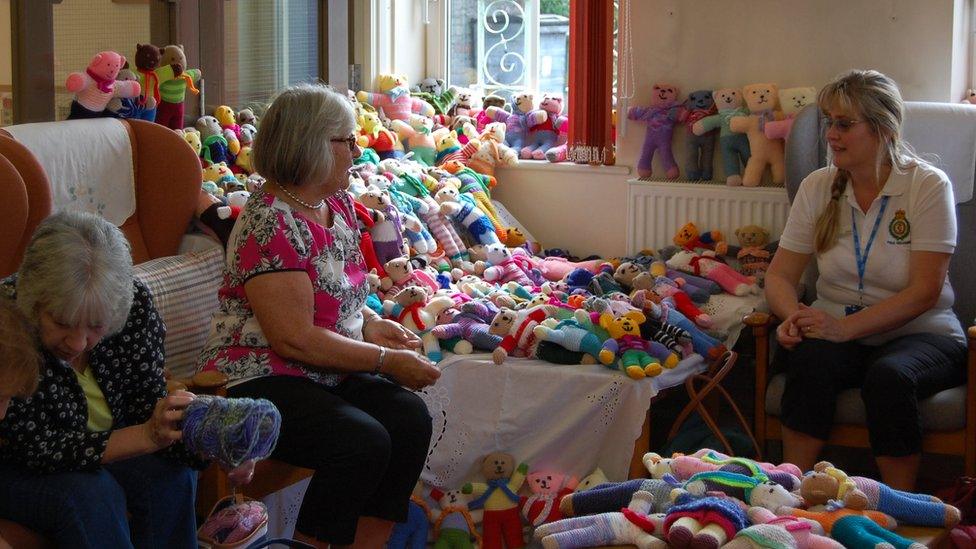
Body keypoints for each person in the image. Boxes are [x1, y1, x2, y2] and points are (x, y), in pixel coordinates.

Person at [197, 83, 440, 549]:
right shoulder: (270, 220)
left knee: (409, 418)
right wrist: (383, 361)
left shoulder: (337, 203)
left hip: (322, 368)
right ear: (310, 144)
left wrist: (370, 324)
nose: (355, 149)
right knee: (360, 441)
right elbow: (293, 339)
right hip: (260, 373)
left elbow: (340, 292)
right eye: (346, 140)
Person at [765, 69, 966, 490]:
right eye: (828, 124)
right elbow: (781, 276)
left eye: (843, 124)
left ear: (883, 127)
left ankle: (897, 503)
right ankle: (789, 496)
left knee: (889, 377)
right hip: (836, 327)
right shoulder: (818, 187)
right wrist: (792, 315)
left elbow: (925, 291)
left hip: (920, 333)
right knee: (809, 362)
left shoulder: (927, 185)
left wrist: (844, 329)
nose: (831, 135)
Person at [0, 211, 219, 548]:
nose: (77, 343)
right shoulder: (8, 324)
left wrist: (211, 443)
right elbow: (33, 448)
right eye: (61, 322)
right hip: (19, 465)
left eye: (96, 326)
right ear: (33, 299)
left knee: (171, 476)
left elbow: (148, 406)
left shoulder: (133, 309)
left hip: (102, 448)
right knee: (91, 496)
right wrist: (147, 435)